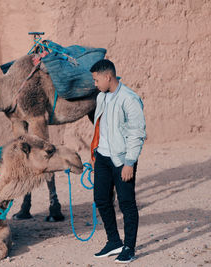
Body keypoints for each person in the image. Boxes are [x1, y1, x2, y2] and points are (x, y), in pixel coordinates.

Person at [89, 59, 146, 264]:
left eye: (96, 80)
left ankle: (129, 248)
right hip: (102, 158)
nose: (95, 84)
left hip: (122, 160)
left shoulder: (129, 99)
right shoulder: (102, 97)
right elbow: (100, 127)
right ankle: (114, 241)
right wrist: (95, 153)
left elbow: (137, 134)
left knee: (127, 203)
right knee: (101, 199)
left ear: (108, 77)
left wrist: (129, 162)